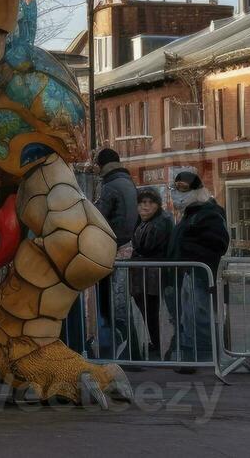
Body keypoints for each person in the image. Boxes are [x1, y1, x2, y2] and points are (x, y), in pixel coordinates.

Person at [166, 171, 228, 373]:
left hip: (200, 274)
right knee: (187, 317)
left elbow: (218, 242)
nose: (178, 193)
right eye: (176, 188)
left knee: (199, 317)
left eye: (183, 188)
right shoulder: (190, 213)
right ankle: (191, 357)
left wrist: (189, 252)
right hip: (187, 273)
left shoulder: (209, 213)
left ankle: (202, 357)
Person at [93, 148, 137, 358]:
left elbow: (98, 216)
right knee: (120, 305)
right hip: (124, 246)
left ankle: (112, 350)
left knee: (109, 306)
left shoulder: (110, 186)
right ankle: (132, 351)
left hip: (110, 248)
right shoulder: (128, 182)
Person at [128, 187, 173, 361]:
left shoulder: (159, 221)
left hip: (153, 274)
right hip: (144, 274)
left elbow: (146, 246)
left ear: (157, 205)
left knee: (153, 312)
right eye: (142, 203)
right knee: (148, 311)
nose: (145, 207)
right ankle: (155, 344)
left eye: (150, 203)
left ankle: (158, 346)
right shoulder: (144, 221)